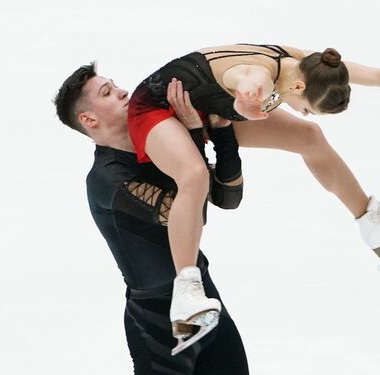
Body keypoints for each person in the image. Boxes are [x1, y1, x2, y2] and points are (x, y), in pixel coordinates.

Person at [126, 43, 380, 343]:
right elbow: (247, 81)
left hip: (208, 106)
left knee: (309, 136)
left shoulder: (308, 65)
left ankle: (373, 220)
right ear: (298, 90)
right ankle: (186, 289)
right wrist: (245, 102)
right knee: (193, 174)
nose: (302, 110)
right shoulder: (260, 78)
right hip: (157, 107)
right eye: (307, 107)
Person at [54, 63, 249, 373]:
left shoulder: (159, 146)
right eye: (107, 92)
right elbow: (185, 210)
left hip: (203, 295)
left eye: (115, 84)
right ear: (89, 119)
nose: (122, 91)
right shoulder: (107, 179)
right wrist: (195, 136)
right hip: (158, 322)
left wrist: (223, 133)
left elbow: (228, 198)